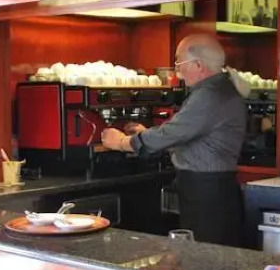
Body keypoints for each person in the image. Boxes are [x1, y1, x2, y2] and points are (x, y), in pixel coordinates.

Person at [101, 34, 248, 246]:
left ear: (198, 65)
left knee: (205, 257)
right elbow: (187, 135)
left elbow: (172, 133)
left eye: (179, 63)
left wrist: (122, 142)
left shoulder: (209, 95)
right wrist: (148, 134)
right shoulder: (219, 90)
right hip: (212, 191)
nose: (178, 72)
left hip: (207, 194)